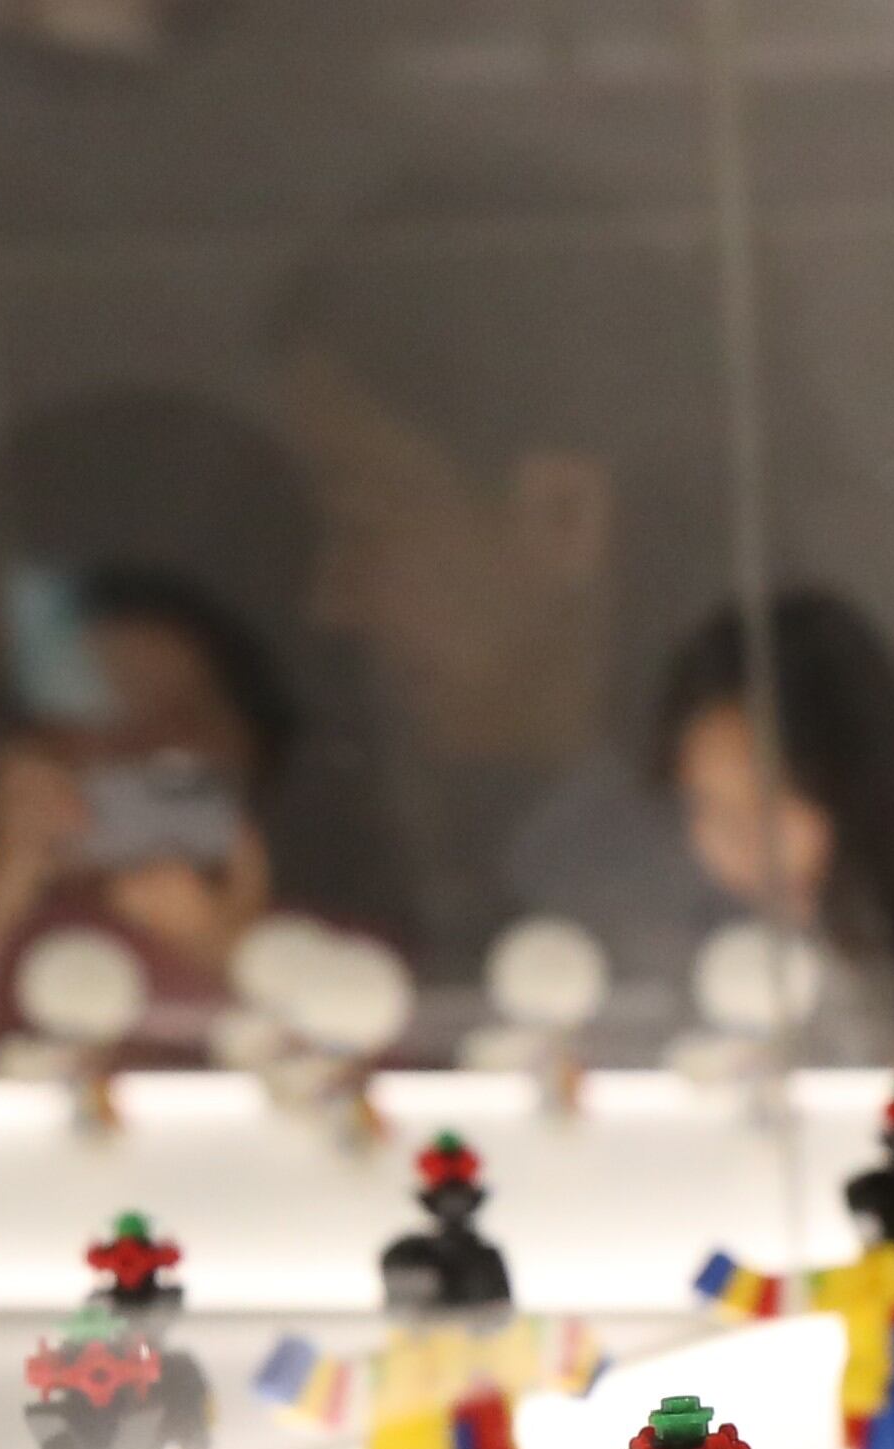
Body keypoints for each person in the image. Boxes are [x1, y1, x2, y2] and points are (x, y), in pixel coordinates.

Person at [267, 163, 743, 1009]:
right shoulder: (488, 842)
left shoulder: (711, 892)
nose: (330, 603)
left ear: (563, 516)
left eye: (363, 524)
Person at [0, 561, 309, 1067]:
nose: (140, 751)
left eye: (177, 722)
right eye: (97, 726)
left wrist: (229, 950)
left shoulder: (328, 951)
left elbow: (358, 1083)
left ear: (251, 743)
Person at [654, 590, 894, 1066]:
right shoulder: (674, 966)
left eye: (768, 800)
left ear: (852, 782)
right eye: (709, 806)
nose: (740, 842)